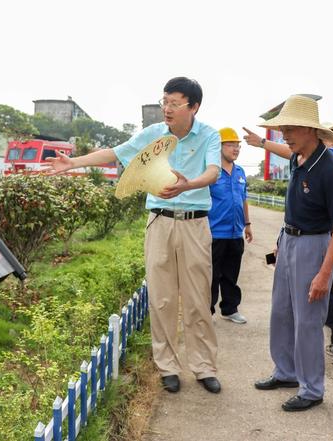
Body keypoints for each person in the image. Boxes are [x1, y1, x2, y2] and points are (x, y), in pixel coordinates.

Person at [44, 77, 222, 394]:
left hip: (195, 224)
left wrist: (188, 185)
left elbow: (213, 172)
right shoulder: (152, 134)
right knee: (163, 298)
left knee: (198, 299)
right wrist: (73, 163)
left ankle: (204, 367)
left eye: (174, 103)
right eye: (164, 101)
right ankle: (167, 366)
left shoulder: (209, 135)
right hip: (160, 222)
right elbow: (115, 153)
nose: (166, 108)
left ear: (193, 106)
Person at [244, 116, 333, 364]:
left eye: (290, 129)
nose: (286, 136)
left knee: (322, 295)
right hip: (310, 235)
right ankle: (289, 368)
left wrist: (263, 143)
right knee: (288, 308)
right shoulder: (310, 159)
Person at [251, 95, 333, 412]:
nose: (285, 135)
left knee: (307, 319)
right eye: (283, 129)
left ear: (310, 130)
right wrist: (281, 237)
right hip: (289, 240)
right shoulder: (297, 158)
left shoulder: (329, 168)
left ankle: (312, 388)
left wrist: (325, 272)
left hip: (315, 245)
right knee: (281, 312)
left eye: (290, 129)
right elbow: (294, 206)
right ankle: (286, 372)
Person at [208, 127, 252, 324]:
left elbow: (243, 200)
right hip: (214, 232)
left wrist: (248, 224)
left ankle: (230, 309)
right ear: (220, 146)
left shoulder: (240, 172)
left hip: (236, 233)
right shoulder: (211, 171)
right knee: (211, 276)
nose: (236, 149)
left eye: (238, 145)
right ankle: (206, 312)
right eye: (231, 145)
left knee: (231, 275)